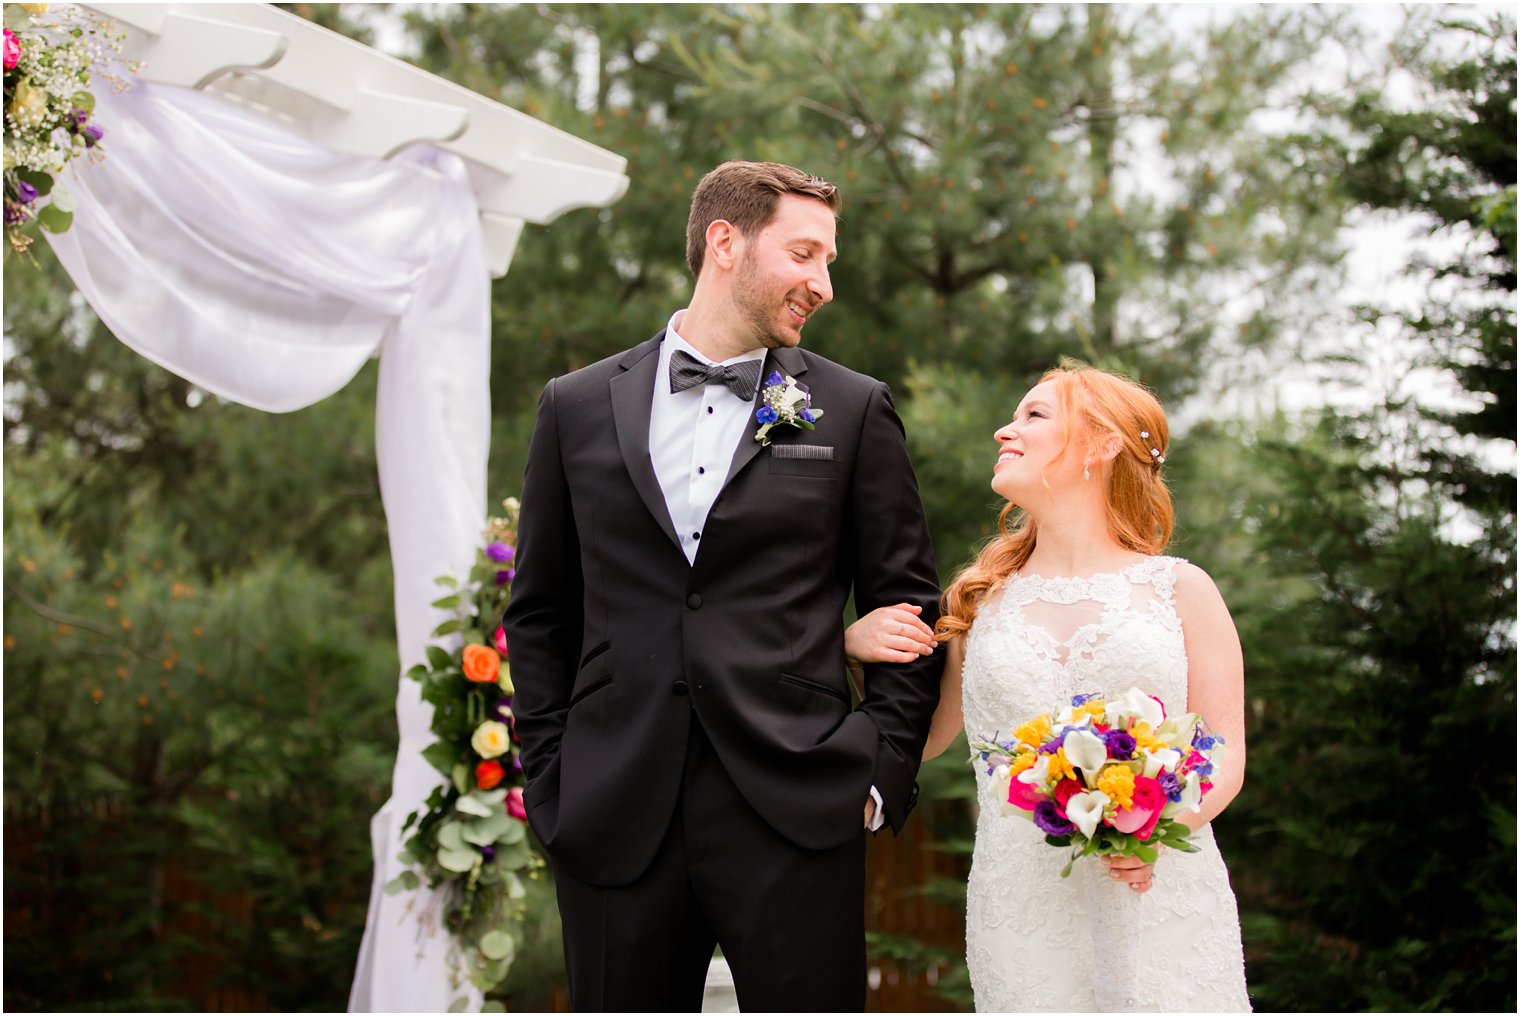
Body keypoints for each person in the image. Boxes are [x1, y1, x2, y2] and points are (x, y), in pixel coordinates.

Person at [502, 160, 944, 1011]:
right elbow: (541, 611)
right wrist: (551, 774)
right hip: (613, 806)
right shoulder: (577, 404)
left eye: (829, 262)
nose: (822, 284)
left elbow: (908, 604)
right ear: (725, 242)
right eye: (805, 254)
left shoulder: (852, 410)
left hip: (798, 804)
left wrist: (880, 770)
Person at [847, 362, 1251, 1012]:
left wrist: (1157, 825)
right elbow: (919, 741)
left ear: (1103, 443)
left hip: (1160, 892)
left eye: (1034, 415)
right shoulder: (977, 600)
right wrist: (856, 647)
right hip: (1023, 903)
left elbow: (1223, 749)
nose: (1006, 430)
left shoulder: (1180, 589)